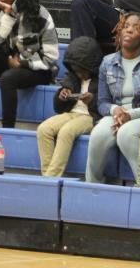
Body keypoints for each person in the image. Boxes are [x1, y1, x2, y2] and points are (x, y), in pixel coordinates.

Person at [86, 11, 140, 183]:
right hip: (117, 114)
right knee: (98, 134)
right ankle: (92, 186)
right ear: (119, 31)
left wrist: (130, 115)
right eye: (125, 26)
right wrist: (115, 110)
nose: (129, 30)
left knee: (126, 134)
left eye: (136, 27)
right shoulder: (108, 62)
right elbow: (102, 103)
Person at [36, 36, 103, 177]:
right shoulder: (72, 77)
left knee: (66, 132)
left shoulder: (103, 78)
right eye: (76, 71)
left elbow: (105, 106)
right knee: (44, 129)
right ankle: (47, 176)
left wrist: (91, 100)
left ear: (90, 67)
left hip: (90, 116)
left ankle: (52, 177)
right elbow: (58, 108)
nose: (79, 74)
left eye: (82, 71)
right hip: (71, 113)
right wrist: (61, 96)